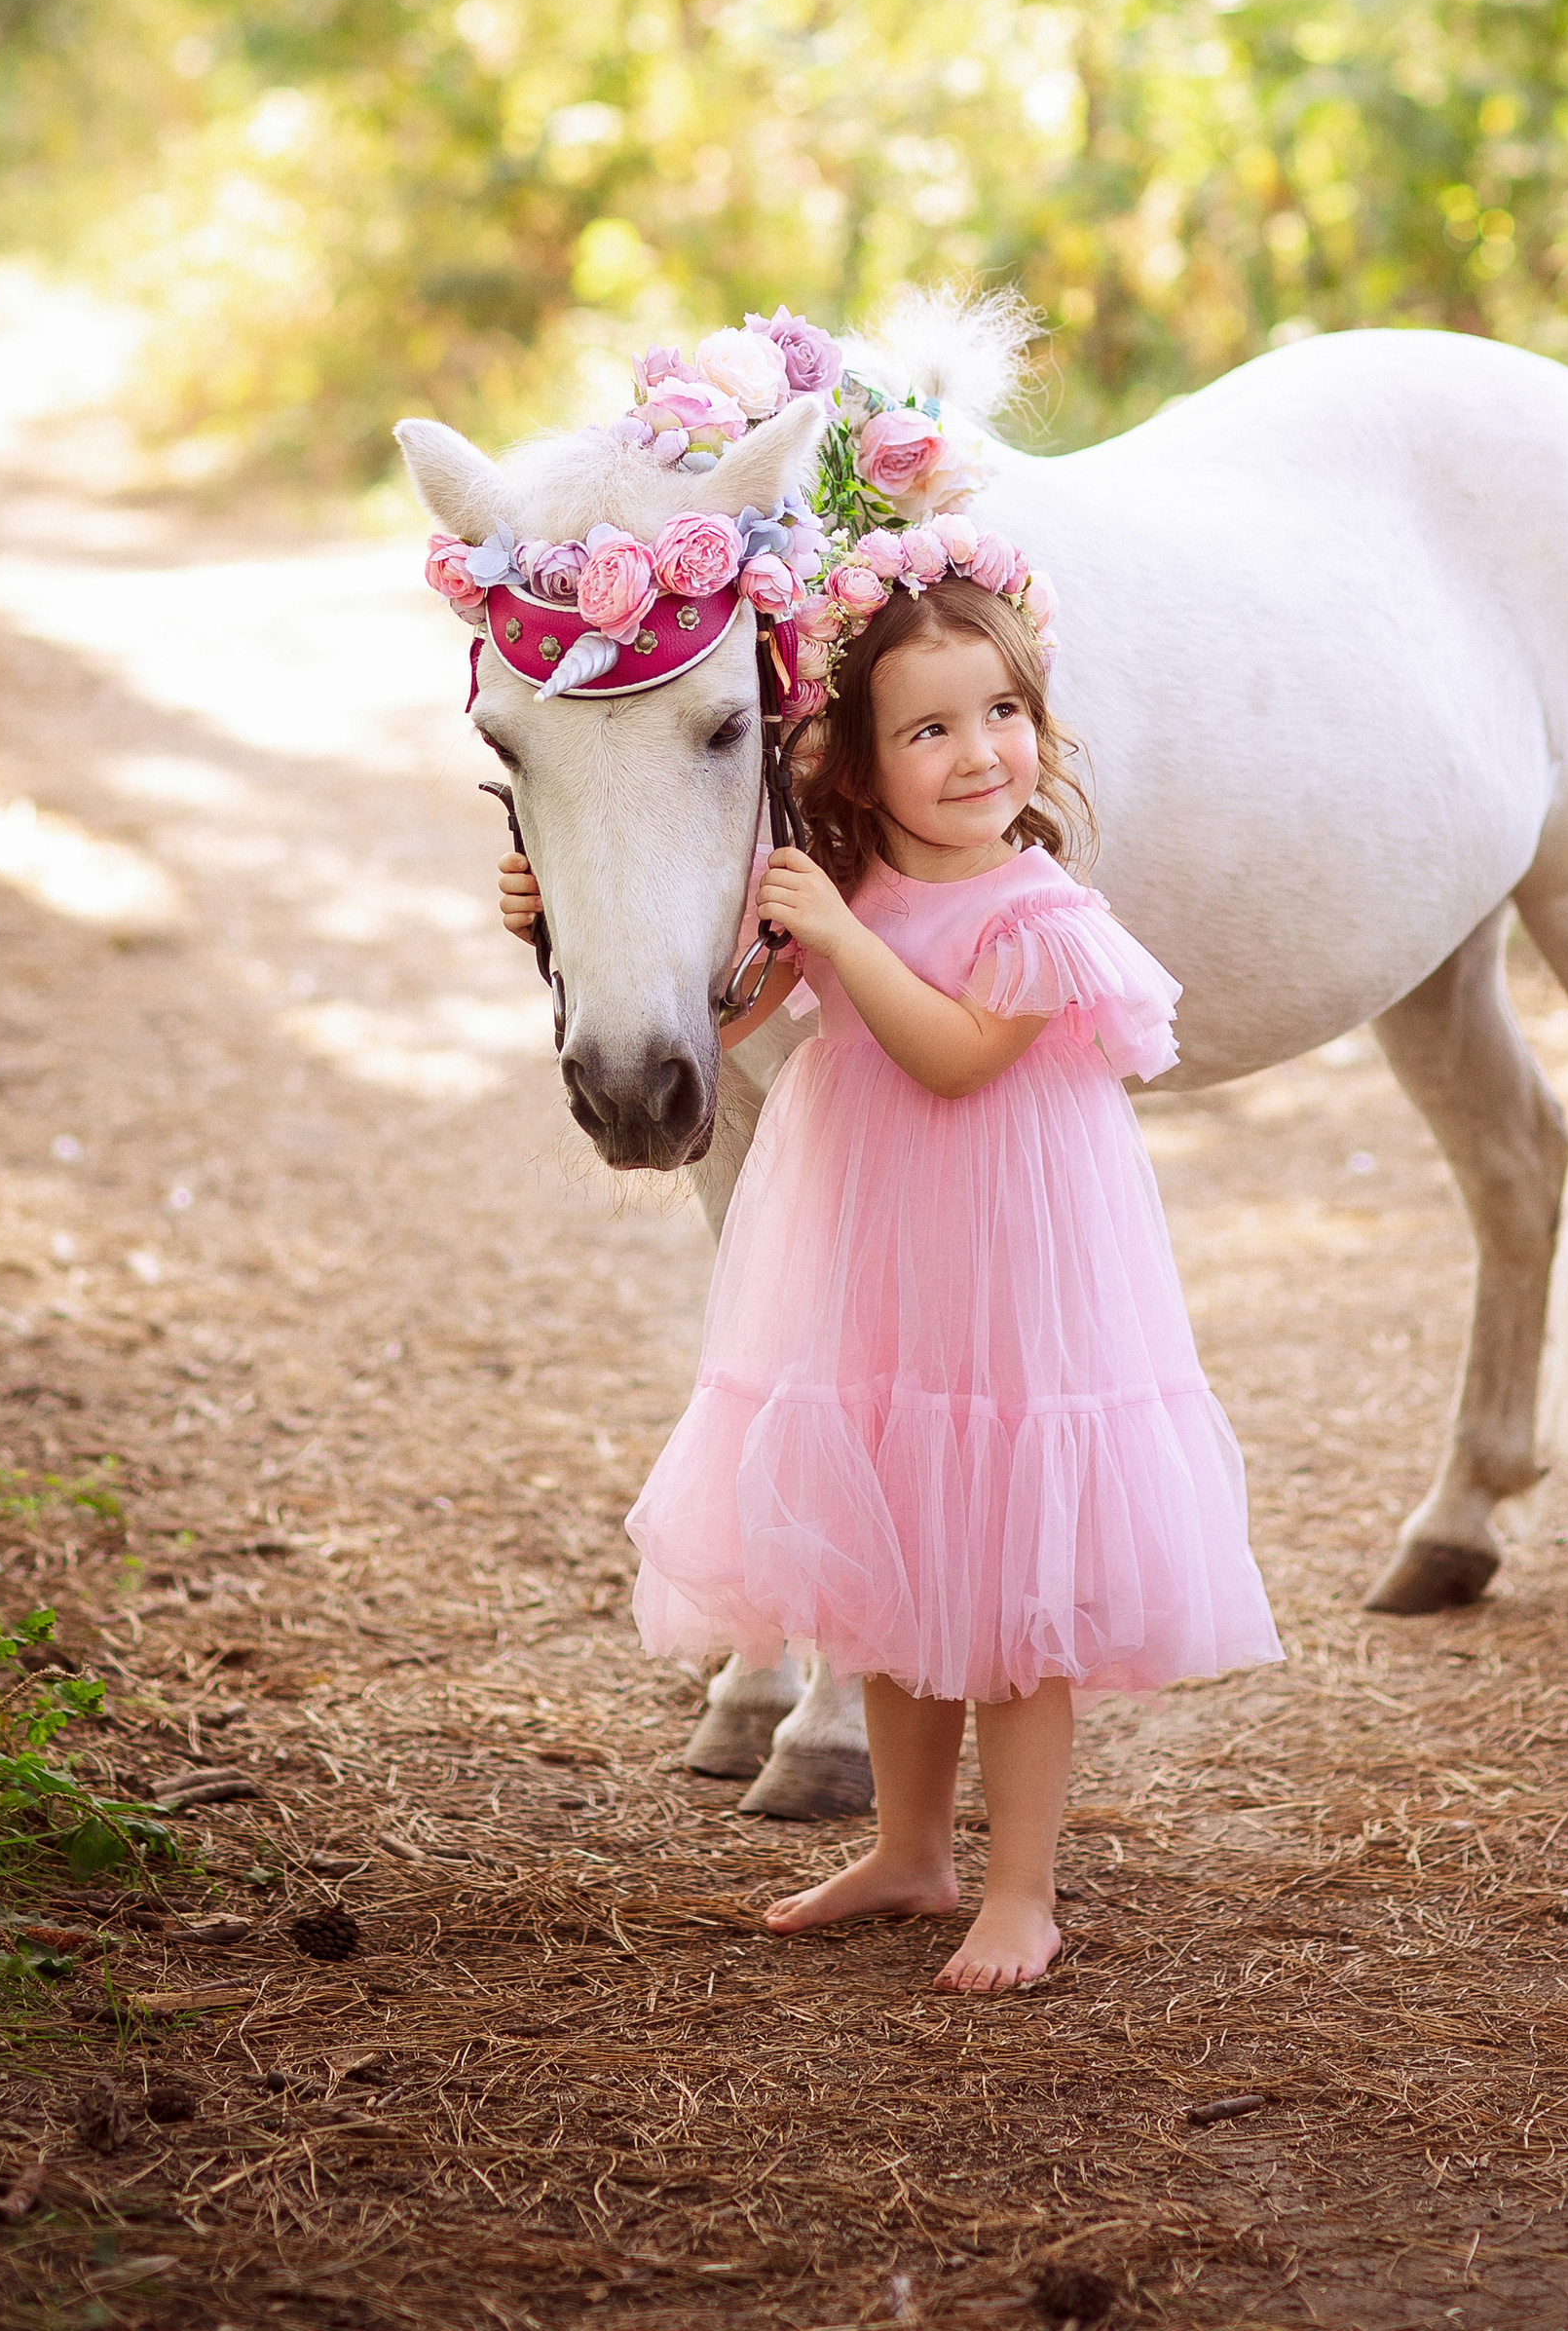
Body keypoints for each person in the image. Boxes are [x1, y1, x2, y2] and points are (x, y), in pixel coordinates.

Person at [497, 577, 1280, 1992]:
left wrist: (843, 939)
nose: (980, 752)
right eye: (930, 731)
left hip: (1013, 1267)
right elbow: (732, 1011)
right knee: (900, 1550)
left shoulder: (1043, 912)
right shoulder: (851, 892)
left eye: (1003, 714)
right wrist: (548, 918)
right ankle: (913, 1851)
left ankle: (1025, 1886)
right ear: (855, 764)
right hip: (882, 1257)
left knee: (1019, 1592)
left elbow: (958, 1057)